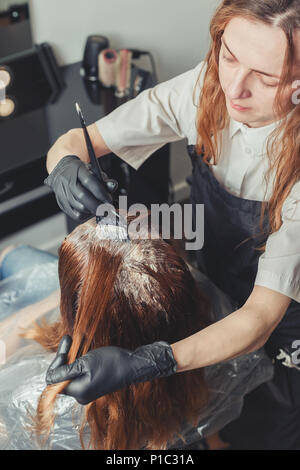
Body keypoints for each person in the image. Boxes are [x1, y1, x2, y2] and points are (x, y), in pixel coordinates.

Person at [44, 0, 300, 449]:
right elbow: (78, 140)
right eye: (229, 56)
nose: (233, 88)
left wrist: (153, 362)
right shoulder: (205, 87)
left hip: (282, 318)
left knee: (269, 422)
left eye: (265, 78)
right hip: (218, 282)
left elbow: (259, 319)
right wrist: (64, 163)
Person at [0, 214, 272, 450]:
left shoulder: (46, 398)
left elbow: (10, 337)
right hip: (173, 415)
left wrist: (63, 298)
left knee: (10, 253)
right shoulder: (217, 336)